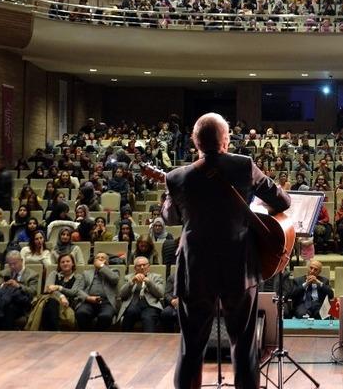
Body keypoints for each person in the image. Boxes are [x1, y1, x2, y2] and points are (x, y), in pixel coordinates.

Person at [162, 112, 290, 389]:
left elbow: (170, 218)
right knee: (243, 345)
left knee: (191, 347)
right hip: (238, 266)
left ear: (195, 142)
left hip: (195, 268)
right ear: (226, 140)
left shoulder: (176, 177)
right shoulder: (243, 166)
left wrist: (172, 198)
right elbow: (281, 200)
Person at [0, 250, 39, 330]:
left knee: (8, 308)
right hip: (3, 300)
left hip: (21, 303)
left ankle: (6, 335)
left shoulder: (32, 274)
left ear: (21, 261)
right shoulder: (4, 273)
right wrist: (3, 285)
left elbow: (33, 291)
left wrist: (18, 286)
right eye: (10, 264)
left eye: (14, 263)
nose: (12, 267)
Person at [26, 253, 83, 331]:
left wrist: (58, 287)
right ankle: (55, 332)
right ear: (59, 265)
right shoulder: (54, 274)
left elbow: (73, 292)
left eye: (68, 261)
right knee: (51, 302)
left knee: (50, 305)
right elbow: (48, 289)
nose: (65, 263)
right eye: (62, 262)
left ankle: (51, 333)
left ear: (73, 263)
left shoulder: (78, 277)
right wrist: (61, 296)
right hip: (51, 301)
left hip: (67, 305)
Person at [75, 252, 120, 331]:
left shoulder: (114, 271)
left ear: (107, 262)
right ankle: (86, 336)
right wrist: (88, 298)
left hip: (106, 302)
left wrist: (102, 266)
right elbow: (78, 290)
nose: (100, 259)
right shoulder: (86, 273)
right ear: (94, 262)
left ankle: (98, 337)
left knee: (105, 316)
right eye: (97, 257)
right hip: (89, 301)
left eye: (102, 258)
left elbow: (114, 279)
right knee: (81, 313)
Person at [118, 256, 165, 332]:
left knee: (148, 318)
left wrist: (149, 283)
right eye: (139, 266)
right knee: (130, 313)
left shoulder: (156, 277)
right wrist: (132, 282)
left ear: (148, 266)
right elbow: (121, 294)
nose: (142, 267)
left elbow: (160, 294)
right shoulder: (128, 277)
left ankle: (149, 341)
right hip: (134, 305)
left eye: (144, 265)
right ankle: (124, 340)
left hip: (150, 306)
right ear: (135, 268)